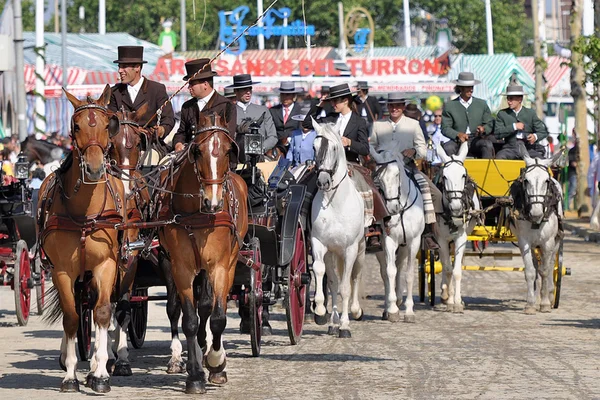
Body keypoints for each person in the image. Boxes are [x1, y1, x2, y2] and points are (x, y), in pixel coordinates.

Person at [303, 83, 388, 251]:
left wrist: (349, 143)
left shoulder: (358, 121)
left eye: (337, 100)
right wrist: (319, 104)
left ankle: (372, 228)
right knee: (308, 185)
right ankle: (304, 223)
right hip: (326, 164)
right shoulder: (329, 117)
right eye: (332, 100)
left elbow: (364, 148)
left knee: (367, 187)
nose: (334, 104)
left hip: (351, 162)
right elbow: (307, 123)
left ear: (347, 100)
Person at [370, 93, 441, 250]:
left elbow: (422, 149)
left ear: (403, 107)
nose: (394, 108)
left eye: (397, 105)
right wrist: (379, 155)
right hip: (384, 170)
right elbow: (371, 147)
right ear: (387, 107)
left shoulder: (413, 125)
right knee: (369, 190)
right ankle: (373, 229)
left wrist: (414, 151)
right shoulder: (377, 125)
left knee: (434, 194)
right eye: (391, 106)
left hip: (408, 168)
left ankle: (428, 232)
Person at [108, 46, 175, 144]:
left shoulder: (157, 89)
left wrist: (161, 130)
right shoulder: (114, 92)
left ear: (137, 68)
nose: (120, 70)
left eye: (124, 67)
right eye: (119, 67)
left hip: (150, 145)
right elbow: (111, 121)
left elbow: (168, 118)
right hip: (121, 147)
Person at [172, 59, 236, 153]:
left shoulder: (226, 105)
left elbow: (228, 137)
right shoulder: (187, 106)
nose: (189, 87)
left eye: (192, 84)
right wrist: (178, 143)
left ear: (205, 84)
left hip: (216, 156)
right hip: (189, 156)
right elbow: (182, 132)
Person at [441, 72, 494, 158]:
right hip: (457, 140)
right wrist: (458, 134)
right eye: (468, 87)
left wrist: (483, 129)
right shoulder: (450, 106)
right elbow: (445, 128)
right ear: (460, 88)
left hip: (476, 140)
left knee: (487, 145)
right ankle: (452, 171)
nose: (471, 90)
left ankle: (486, 171)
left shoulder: (482, 104)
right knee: (448, 147)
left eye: (472, 87)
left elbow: (489, 123)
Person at [227, 74, 278, 159]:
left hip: (259, 158)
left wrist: (260, 148)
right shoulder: (228, 112)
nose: (248, 92)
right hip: (234, 159)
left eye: (250, 88)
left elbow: (273, 136)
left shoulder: (263, 110)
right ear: (236, 91)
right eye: (244, 89)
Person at [494, 84, 548, 159]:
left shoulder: (530, 113)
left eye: (511, 99)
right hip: (509, 149)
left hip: (528, 149)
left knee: (542, 162)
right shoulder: (502, 114)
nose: (509, 102)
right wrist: (514, 126)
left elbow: (543, 131)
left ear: (520, 99)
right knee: (499, 158)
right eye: (508, 99)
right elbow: (497, 133)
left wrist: (535, 137)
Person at [269, 82, 304, 152]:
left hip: (295, 146)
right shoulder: (273, 111)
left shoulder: (301, 110)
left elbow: (301, 130)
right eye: (282, 95)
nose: (285, 98)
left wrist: (290, 139)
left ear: (293, 96)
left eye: (287, 95)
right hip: (276, 147)